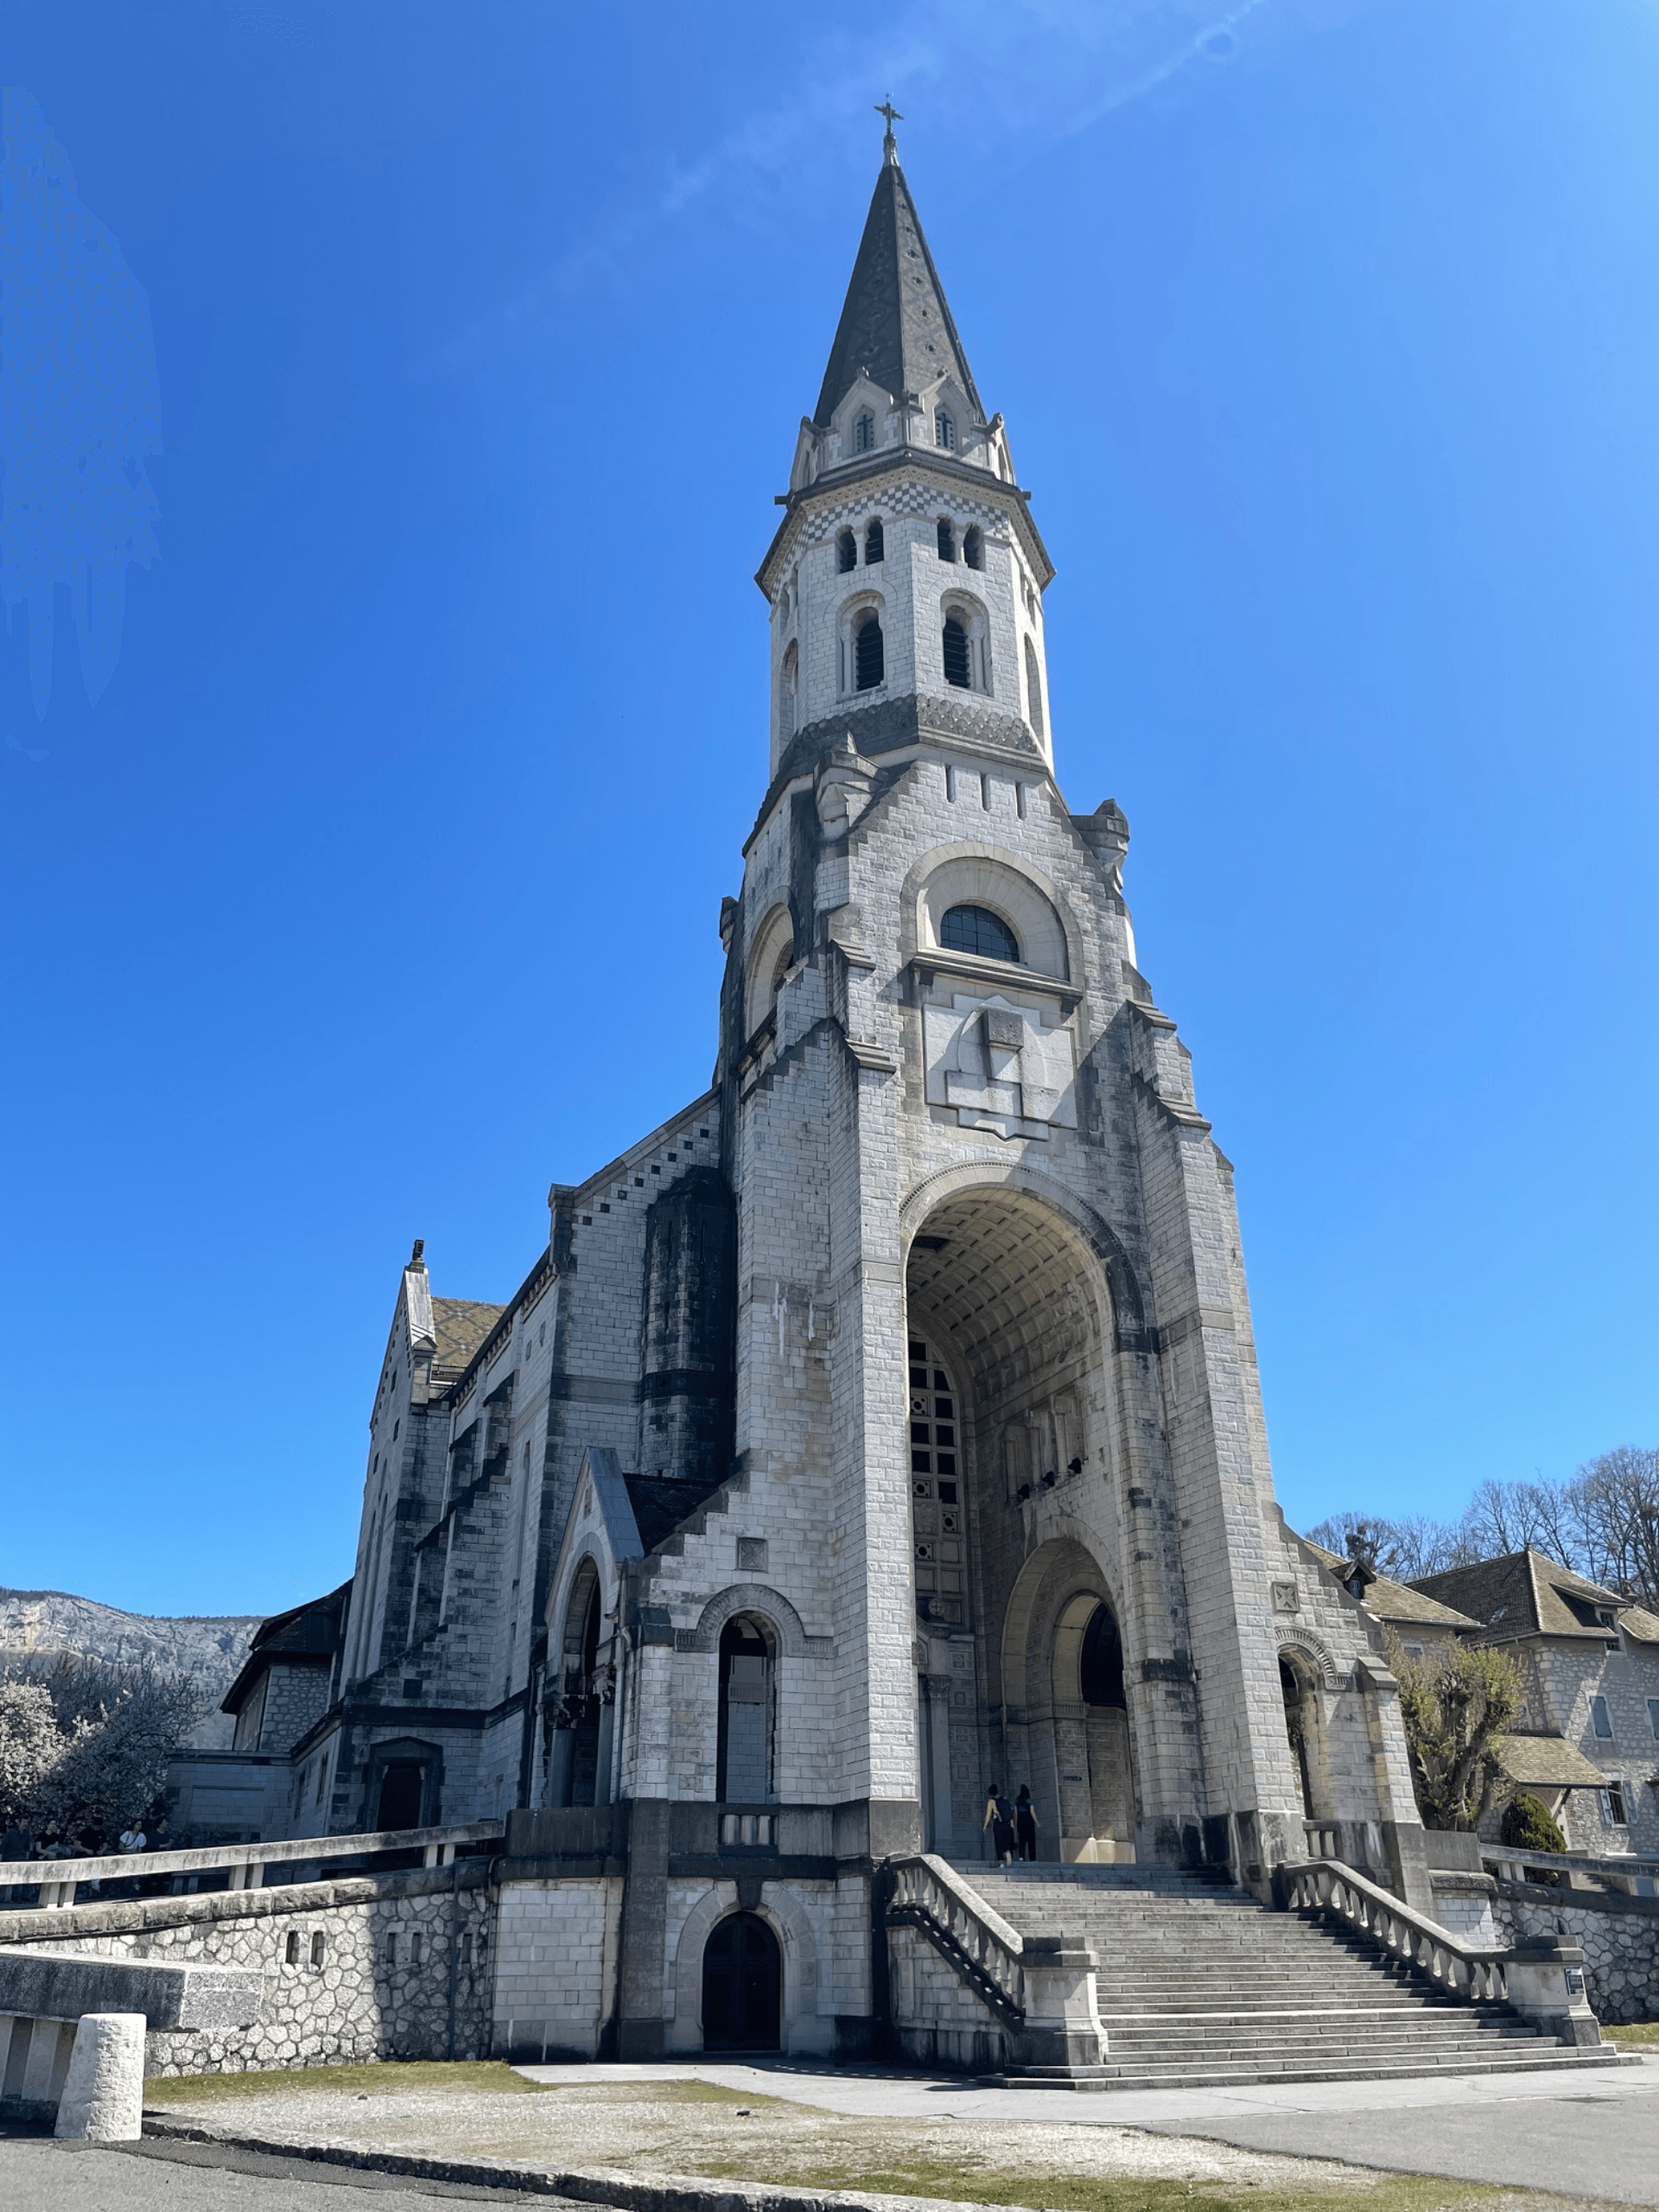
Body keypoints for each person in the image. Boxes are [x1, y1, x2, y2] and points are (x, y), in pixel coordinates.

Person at [982, 1782, 1015, 1866]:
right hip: (1006, 1823)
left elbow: (988, 1815)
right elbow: (1009, 1813)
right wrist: (1012, 1824)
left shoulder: (991, 1801)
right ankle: (1007, 1851)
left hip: (998, 1822)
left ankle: (1001, 1862)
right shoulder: (1004, 1799)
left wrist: (985, 1826)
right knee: (1005, 1841)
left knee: (998, 1842)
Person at [1014, 1784, 1039, 1861]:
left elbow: (1015, 1813)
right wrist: (1037, 1822)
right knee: (1031, 1840)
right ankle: (1032, 1858)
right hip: (1029, 1821)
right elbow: (1032, 1812)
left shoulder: (1017, 1800)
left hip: (1020, 1821)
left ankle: (1021, 1857)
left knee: (1021, 1840)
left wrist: (1015, 1823)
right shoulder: (1030, 1800)